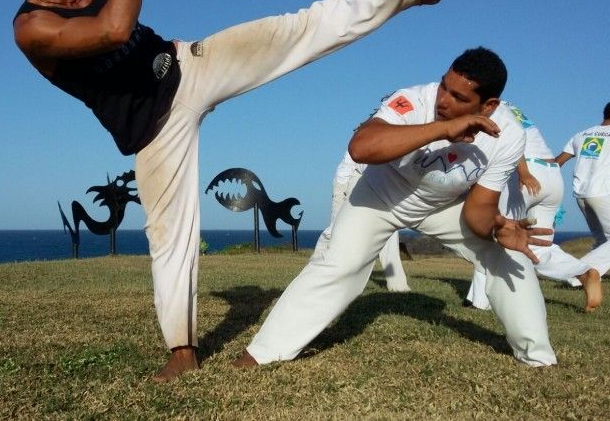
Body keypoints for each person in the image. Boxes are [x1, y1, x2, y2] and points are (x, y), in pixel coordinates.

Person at [0, 0, 454, 381]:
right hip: (152, 129)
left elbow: (126, 19)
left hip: (186, 67)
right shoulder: (32, 27)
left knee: (293, 29)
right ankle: (183, 350)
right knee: (171, 237)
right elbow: (112, 29)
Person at [235, 47, 559, 370]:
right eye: (444, 86)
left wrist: (497, 228)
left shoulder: (508, 137)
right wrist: (444, 128)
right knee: (338, 264)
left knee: (508, 256)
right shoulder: (414, 100)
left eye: (459, 97)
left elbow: (478, 210)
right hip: (380, 196)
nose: (443, 100)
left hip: (442, 205)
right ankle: (263, 353)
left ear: (488, 106)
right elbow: (361, 146)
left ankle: (539, 359)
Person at [464, 102, 602, 312]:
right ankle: (583, 272)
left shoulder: (488, 107)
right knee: (539, 246)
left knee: (496, 234)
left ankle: (480, 301)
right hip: (552, 174)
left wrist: (524, 172)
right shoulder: (513, 108)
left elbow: (510, 139)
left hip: (523, 172)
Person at [312, 151, 411, 292]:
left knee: (389, 231)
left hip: (374, 182)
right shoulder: (366, 137)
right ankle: (316, 271)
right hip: (347, 182)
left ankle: (398, 285)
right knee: (335, 232)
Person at [555, 102, 610, 284]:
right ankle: (576, 274)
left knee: (602, 240)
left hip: (581, 195)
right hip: (603, 193)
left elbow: (558, 162)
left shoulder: (581, 135)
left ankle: (591, 276)